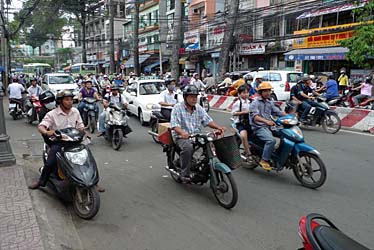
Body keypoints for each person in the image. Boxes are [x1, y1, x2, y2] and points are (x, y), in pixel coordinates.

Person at [28, 90, 105, 192]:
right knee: (50, 163)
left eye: (71, 100)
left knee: (88, 159)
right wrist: (47, 132)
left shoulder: (75, 111)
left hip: (75, 141)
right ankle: (41, 182)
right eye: (67, 100)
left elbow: (80, 126)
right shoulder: (52, 114)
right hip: (60, 142)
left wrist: (85, 132)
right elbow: (41, 126)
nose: (70, 102)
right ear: (60, 101)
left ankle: (94, 183)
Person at [170, 85, 226, 183]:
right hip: (181, 137)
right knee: (188, 147)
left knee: (211, 144)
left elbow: (207, 121)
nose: (194, 99)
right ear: (185, 97)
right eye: (191, 96)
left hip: (197, 135)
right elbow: (174, 125)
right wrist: (183, 132)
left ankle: (203, 167)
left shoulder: (198, 108)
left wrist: (218, 127)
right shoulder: (177, 108)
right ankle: (185, 174)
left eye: (195, 96)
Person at [250, 82, 286, 171]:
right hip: (259, 127)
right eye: (265, 91)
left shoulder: (269, 102)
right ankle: (264, 160)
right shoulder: (255, 103)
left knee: (286, 134)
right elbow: (255, 117)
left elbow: (278, 112)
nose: (268, 93)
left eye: (269, 91)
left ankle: (278, 154)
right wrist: (266, 121)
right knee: (271, 141)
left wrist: (290, 116)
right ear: (260, 92)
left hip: (270, 126)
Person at [231, 84, 253, 163]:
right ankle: (248, 153)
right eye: (244, 93)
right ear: (239, 94)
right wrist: (244, 112)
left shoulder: (251, 101)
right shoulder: (237, 103)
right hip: (241, 123)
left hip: (251, 123)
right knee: (244, 136)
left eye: (247, 92)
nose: (246, 94)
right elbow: (233, 113)